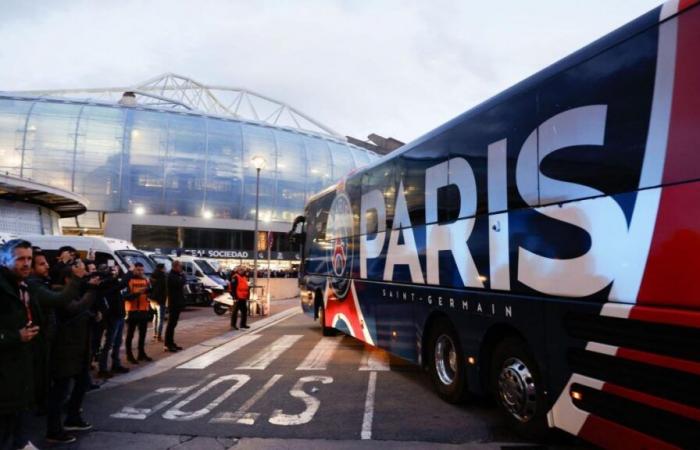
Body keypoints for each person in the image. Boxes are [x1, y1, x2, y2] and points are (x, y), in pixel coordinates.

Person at [46, 265, 98, 444]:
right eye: (79, 273)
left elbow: (82, 309)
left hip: (78, 348)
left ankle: (73, 417)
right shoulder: (59, 292)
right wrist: (91, 290)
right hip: (65, 349)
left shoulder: (75, 292)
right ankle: (54, 430)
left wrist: (92, 314)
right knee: (60, 391)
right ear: (68, 279)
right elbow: (74, 309)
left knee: (82, 383)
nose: (84, 275)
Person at [0, 240, 42, 450]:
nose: (26, 264)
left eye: (29, 259)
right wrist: (16, 336)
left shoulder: (24, 286)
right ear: (4, 260)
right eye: (20, 259)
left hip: (20, 381)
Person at [96, 264, 130, 378]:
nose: (114, 272)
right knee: (109, 343)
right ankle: (103, 368)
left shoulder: (113, 282)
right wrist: (129, 272)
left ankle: (115, 363)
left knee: (118, 341)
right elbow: (122, 284)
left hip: (119, 315)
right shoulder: (106, 283)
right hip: (113, 316)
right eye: (111, 271)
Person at [124, 262, 152, 364]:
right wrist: (138, 293)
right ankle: (129, 354)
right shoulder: (128, 280)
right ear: (134, 270)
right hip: (132, 310)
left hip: (143, 309)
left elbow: (150, 293)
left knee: (143, 333)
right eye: (138, 270)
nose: (140, 272)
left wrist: (149, 290)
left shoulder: (145, 280)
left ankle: (141, 353)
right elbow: (126, 296)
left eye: (142, 270)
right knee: (130, 334)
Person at [164, 261, 185, 352]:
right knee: (171, 324)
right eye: (180, 266)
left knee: (173, 324)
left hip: (177, 302)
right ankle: (167, 344)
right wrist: (183, 277)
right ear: (175, 267)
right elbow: (180, 284)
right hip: (173, 302)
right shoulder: (171, 276)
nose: (181, 268)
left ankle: (171, 342)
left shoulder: (176, 275)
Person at [149, 264, 167, 342]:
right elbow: (164, 289)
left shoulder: (152, 276)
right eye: (165, 268)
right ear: (162, 269)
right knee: (161, 318)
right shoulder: (163, 277)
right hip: (160, 300)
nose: (166, 269)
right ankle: (159, 336)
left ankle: (155, 334)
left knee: (155, 317)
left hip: (152, 299)